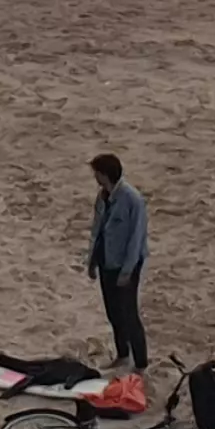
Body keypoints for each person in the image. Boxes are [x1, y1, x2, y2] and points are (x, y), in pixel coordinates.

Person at [87, 152, 150, 377]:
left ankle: (141, 362)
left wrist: (128, 269)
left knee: (129, 313)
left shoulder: (132, 200)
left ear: (105, 174)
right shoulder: (102, 197)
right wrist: (92, 261)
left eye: (97, 172)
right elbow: (97, 232)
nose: (95, 177)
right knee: (113, 311)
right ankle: (123, 354)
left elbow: (136, 238)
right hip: (106, 261)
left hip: (125, 264)